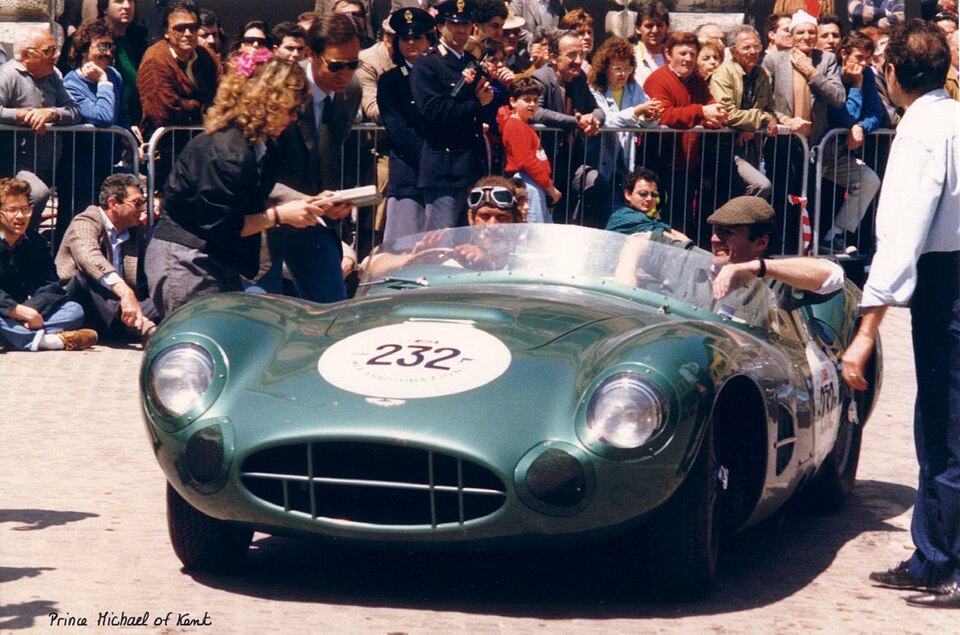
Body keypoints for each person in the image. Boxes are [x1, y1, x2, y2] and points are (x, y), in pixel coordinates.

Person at [842, 19, 960, 609]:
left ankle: (942, 563)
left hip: (948, 284)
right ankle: (933, 555)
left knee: (943, 425)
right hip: (950, 276)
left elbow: (902, 236)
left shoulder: (920, 133)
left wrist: (866, 330)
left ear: (891, 73)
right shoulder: (955, 119)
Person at [143, 56, 351, 319]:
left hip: (216, 259)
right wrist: (279, 216)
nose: (296, 118)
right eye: (291, 109)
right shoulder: (227, 150)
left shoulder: (261, 145)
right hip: (186, 261)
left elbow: (265, 189)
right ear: (271, 104)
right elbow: (221, 225)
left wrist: (313, 203)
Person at [272, 12, 363, 303]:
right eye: (337, 66)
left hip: (312, 218)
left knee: (332, 306)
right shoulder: (279, 89)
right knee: (265, 310)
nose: (346, 74)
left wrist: (340, 198)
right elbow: (253, 168)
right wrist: (295, 201)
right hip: (263, 216)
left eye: (353, 64)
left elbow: (333, 152)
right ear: (310, 54)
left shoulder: (350, 90)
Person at [411, 0, 495, 230]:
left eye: (466, 24)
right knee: (441, 243)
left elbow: (487, 110)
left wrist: (488, 96)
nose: (460, 30)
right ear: (440, 26)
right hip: (445, 169)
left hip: (472, 167)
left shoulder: (470, 62)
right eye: (453, 24)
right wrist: (476, 103)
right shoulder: (428, 64)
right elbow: (433, 113)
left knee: (470, 245)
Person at [643, 32, 728, 240]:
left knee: (683, 222)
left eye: (692, 54)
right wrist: (701, 114)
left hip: (689, 164)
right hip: (663, 164)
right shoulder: (658, 80)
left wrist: (713, 116)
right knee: (665, 223)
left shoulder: (698, 80)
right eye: (682, 53)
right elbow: (664, 115)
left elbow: (711, 106)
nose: (688, 59)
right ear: (668, 54)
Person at [55, 173, 157, 341]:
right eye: (137, 203)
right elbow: (89, 257)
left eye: (143, 203)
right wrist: (124, 292)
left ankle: (140, 324)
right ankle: (142, 325)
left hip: (122, 310)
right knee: (85, 276)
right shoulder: (85, 221)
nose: (143, 209)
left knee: (166, 299)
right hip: (79, 305)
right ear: (113, 203)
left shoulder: (135, 231)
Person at [0, 177, 98, 352]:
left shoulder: (35, 242)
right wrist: (14, 310)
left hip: (23, 312)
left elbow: (50, 285)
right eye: (12, 210)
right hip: (6, 310)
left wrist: (30, 310)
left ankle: (13, 337)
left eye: (25, 209)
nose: (20, 216)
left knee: (74, 310)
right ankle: (52, 341)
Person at [0, 27, 82, 227]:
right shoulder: (8, 75)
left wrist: (52, 113)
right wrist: (21, 115)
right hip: (15, 164)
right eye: (48, 51)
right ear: (27, 54)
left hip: (48, 163)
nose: (55, 56)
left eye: (56, 49)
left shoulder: (53, 75)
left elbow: (74, 110)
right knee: (36, 194)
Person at [61, 20, 131, 234]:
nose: (108, 53)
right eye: (102, 46)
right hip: (79, 167)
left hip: (107, 162)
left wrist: (128, 138)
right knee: (78, 224)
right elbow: (103, 116)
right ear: (84, 50)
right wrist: (102, 82)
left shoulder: (114, 76)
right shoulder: (71, 83)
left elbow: (122, 112)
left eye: (111, 47)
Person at [530, 29, 606, 226]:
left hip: (573, 162)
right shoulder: (540, 78)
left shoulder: (579, 78)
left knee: (596, 182)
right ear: (554, 57)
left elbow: (598, 110)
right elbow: (537, 112)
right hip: (544, 162)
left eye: (581, 54)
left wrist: (593, 120)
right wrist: (574, 122)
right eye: (572, 55)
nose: (579, 61)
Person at [820, 31, 884, 254]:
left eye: (868, 58)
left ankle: (836, 233)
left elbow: (876, 113)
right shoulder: (833, 73)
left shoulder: (866, 76)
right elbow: (844, 116)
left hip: (838, 153)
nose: (864, 64)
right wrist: (855, 86)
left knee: (869, 180)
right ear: (844, 54)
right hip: (816, 152)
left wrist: (861, 127)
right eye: (859, 57)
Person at [379, 7, 435, 243]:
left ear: (428, 40)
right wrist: (429, 159)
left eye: (417, 37)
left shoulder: (440, 76)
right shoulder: (390, 81)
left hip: (440, 171)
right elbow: (397, 128)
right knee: (403, 244)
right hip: (408, 172)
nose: (411, 42)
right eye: (405, 38)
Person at [586, 36, 662, 202]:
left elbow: (646, 120)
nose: (623, 74)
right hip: (600, 156)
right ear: (605, 68)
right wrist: (637, 111)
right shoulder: (594, 90)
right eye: (617, 69)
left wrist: (651, 116)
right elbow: (607, 120)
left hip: (626, 158)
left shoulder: (634, 88)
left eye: (627, 69)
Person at [708, 24, 777, 200]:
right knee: (761, 185)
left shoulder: (763, 75)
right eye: (746, 47)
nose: (753, 51)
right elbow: (727, 113)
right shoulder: (723, 74)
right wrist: (759, 121)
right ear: (733, 51)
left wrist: (751, 125)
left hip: (751, 148)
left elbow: (771, 109)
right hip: (723, 147)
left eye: (756, 46)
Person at [137, 0, 219, 141]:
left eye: (193, 28)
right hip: (168, 146)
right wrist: (201, 107)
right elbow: (162, 114)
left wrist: (187, 104)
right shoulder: (155, 60)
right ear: (166, 32)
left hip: (205, 142)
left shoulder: (207, 55)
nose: (187, 33)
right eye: (180, 28)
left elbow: (222, 98)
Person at [501, 78, 561, 222]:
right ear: (513, 101)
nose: (532, 104)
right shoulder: (516, 126)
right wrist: (550, 188)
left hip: (535, 182)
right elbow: (527, 161)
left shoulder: (523, 125)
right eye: (527, 100)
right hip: (527, 182)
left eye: (535, 100)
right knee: (534, 231)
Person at [606, 168, 690, 244]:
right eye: (643, 194)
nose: (649, 198)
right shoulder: (624, 216)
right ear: (628, 194)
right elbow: (666, 237)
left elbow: (672, 232)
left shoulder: (649, 220)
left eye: (654, 194)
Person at [99, 0, 147, 128]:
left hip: (135, 121)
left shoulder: (142, 38)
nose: (127, 6)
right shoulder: (93, 39)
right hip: (107, 122)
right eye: (119, 1)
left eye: (131, 1)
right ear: (105, 8)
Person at [633, 0, 669, 87]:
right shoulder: (631, 57)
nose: (655, 30)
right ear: (638, 29)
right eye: (649, 26)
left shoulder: (673, 58)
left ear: (667, 28)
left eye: (660, 25)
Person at [558, 7, 594, 75]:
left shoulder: (595, 67)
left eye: (589, 32)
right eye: (581, 33)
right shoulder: (560, 67)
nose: (587, 37)